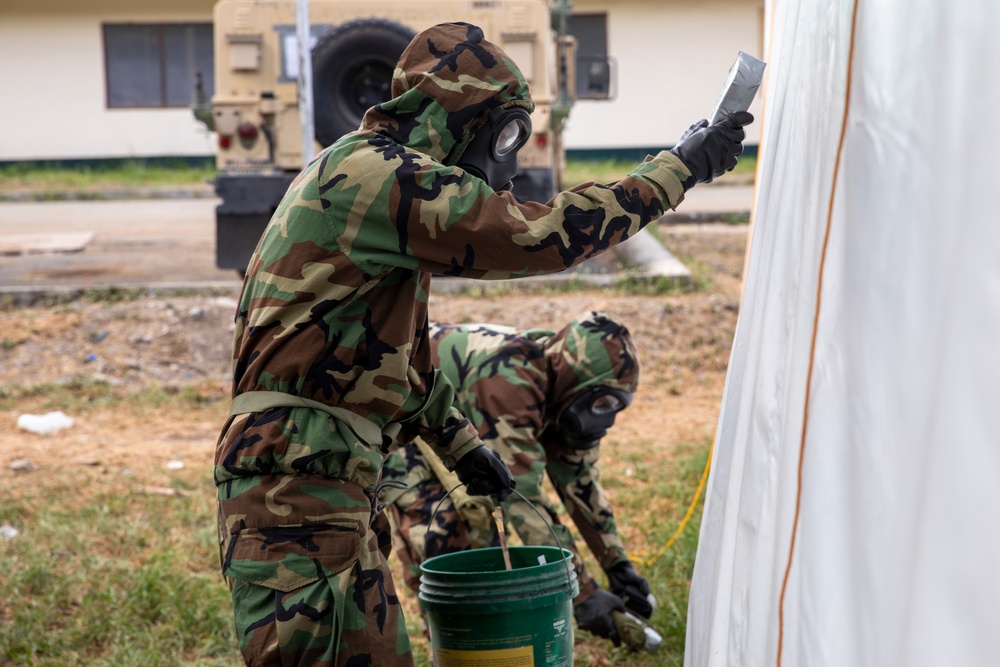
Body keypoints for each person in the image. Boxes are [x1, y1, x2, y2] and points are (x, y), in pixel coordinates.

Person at [214, 20, 753, 666]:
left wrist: (464, 447)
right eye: (502, 136)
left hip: (321, 482)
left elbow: (403, 365)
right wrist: (679, 169)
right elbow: (540, 235)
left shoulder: (373, 202)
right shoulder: (376, 176)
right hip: (299, 486)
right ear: (454, 115)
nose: (505, 164)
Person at [383, 312, 653, 647]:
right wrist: (582, 593)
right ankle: (454, 643)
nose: (606, 418)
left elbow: (579, 481)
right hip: (409, 421)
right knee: (455, 546)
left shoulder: (561, 390)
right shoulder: (512, 377)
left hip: (459, 432)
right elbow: (521, 498)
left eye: (616, 406)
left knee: (489, 552)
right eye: (601, 402)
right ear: (577, 379)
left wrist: (617, 564)